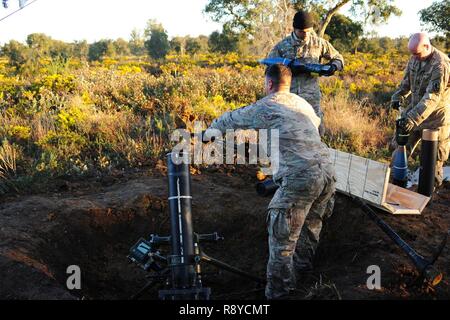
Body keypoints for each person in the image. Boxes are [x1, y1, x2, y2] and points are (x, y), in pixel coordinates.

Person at [206, 64, 336, 299]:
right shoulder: (302, 103)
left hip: (301, 179)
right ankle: (303, 281)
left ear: (269, 84)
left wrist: (207, 134)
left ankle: (279, 294)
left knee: (282, 242)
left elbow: (229, 120)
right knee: (309, 231)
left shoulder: (267, 105)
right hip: (327, 174)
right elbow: (315, 128)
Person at [268, 10, 344, 135]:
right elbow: (269, 70)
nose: (306, 34)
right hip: (288, 97)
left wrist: (333, 66)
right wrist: (288, 69)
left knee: (315, 130)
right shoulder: (281, 47)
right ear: (295, 29)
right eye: (302, 32)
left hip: (311, 97)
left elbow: (339, 58)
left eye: (309, 31)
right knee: (289, 131)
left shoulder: (319, 43)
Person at [391, 32, 450, 188]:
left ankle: (429, 196)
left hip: (435, 119)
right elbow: (406, 83)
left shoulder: (441, 65)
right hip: (415, 112)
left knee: (432, 162)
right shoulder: (415, 58)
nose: (414, 57)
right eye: (412, 54)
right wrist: (397, 96)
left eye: (417, 54)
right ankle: (397, 186)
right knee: (400, 148)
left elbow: (432, 97)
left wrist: (411, 118)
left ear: (427, 46)